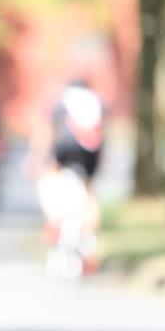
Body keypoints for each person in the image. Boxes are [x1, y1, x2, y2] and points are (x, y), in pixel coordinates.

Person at [32, 79, 104, 272]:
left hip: (66, 147)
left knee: (46, 178)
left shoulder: (62, 102)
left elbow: (48, 131)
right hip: (91, 152)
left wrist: (39, 159)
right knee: (89, 191)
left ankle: (53, 222)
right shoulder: (95, 101)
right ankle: (89, 243)